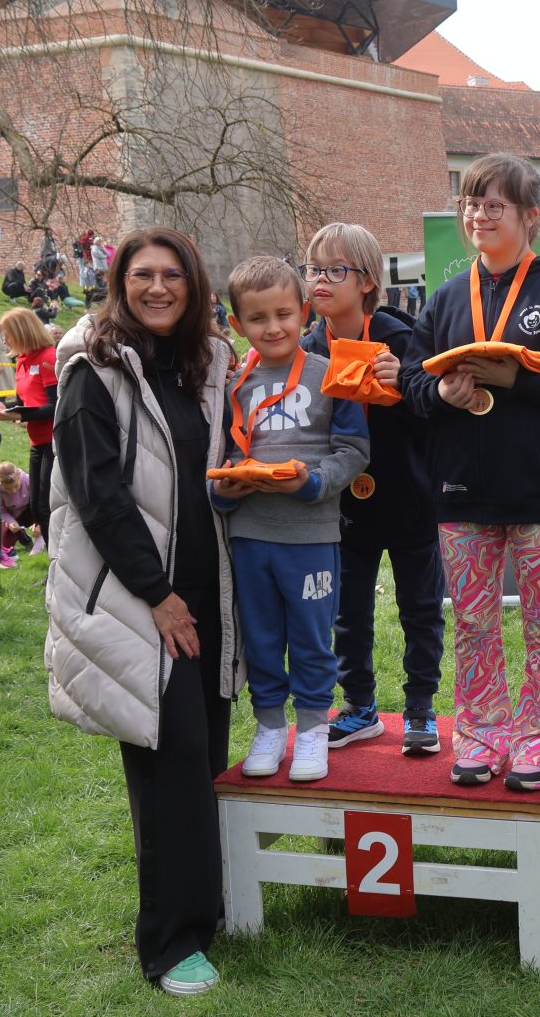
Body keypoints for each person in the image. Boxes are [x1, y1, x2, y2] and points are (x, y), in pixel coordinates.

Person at [46, 227, 240, 995]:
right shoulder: (92, 370)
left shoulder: (206, 364)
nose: (157, 287)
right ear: (119, 284)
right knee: (170, 764)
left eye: (172, 275)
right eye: (142, 275)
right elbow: (96, 494)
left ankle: (210, 908)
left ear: (194, 286)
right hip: (140, 600)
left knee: (207, 757)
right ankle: (168, 942)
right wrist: (157, 596)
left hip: (210, 593)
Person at [400, 152, 540, 791]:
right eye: (472, 204)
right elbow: (410, 382)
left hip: (539, 488)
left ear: (529, 216)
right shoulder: (444, 299)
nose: (480, 216)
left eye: (496, 205)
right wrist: (443, 394)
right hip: (460, 490)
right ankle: (482, 733)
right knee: (472, 622)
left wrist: (520, 380)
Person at [210, 256, 368, 784]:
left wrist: (314, 483)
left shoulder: (331, 375)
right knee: (259, 638)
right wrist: (223, 491)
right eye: (258, 318)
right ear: (238, 324)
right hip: (250, 536)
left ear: (304, 312)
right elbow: (222, 457)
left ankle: (314, 728)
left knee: (310, 638)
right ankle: (270, 727)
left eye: (283, 314)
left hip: (311, 536)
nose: (273, 327)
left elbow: (354, 450)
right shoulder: (233, 385)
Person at [297, 222, 447, 757]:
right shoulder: (307, 348)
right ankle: (359, 707)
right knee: (347, 612)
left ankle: (420, 709)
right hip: (341, 507)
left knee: (420, 609)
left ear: (366, 282)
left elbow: (437, 414)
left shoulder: (403, 340)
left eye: (335, 270)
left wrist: (404, 383)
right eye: (313, 269)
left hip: (410, 498)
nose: (320, 280)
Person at [0, 307, 58, 547]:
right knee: (37, 508)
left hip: (54, 441)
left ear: (22, 331)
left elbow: (56, 406)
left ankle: (59, 560)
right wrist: (0, 407)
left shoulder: (49, 357)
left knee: (46, 506)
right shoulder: (21, 361)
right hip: (36, 441)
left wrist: (19, 414)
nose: (5, 340)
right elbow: (23, 403)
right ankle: (54, 558)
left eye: (7, 334)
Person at [0, 460, 36, 565]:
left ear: (19, 477)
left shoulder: (27, 480)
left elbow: (39, 501)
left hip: (29, 512)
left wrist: (39, 523)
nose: (13, 491)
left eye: (16, 486)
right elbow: (1, 511)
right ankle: (23, 536)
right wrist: (10, 522)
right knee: (5, 546)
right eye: (8, 489)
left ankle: (37, 538)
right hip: (12, 516)